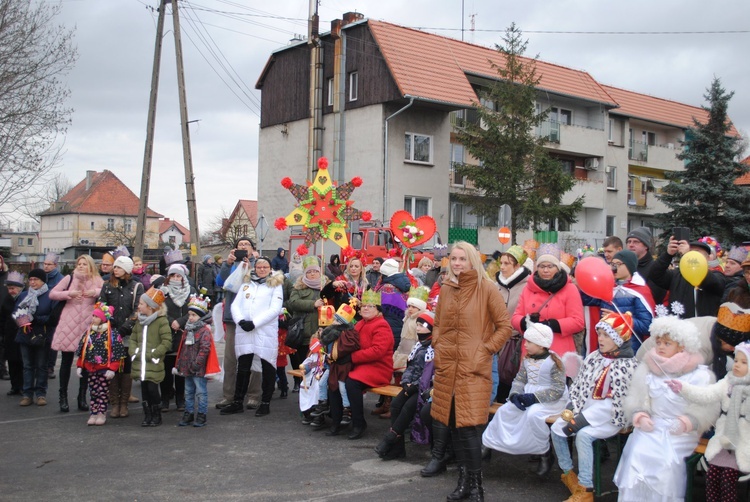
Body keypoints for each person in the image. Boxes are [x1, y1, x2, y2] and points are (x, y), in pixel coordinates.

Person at [431, 241, 512, 502]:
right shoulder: (446, 289)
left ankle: (477, 486)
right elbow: (438, 323)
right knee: (454, 426)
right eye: (453, 259)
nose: (456, 264)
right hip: (447, 369)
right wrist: (438, 344)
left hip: (473, 369)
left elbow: (504, 327)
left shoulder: (486, 288)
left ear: (472, 261)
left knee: (469, 430)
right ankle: (463, 482)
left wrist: (483, 351)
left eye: (462, 259)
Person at [614, 315, 718, 501]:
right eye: (659, 342)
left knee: (665, 462)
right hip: (652, 425)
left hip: (680, 431)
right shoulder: (648, 368)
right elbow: (637, 399)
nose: (661, 347)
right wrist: (640, 415)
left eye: (667, 343)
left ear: (682, 346)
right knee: (637, 451)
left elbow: (705, 408)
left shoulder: (699, 375)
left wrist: (687, 422)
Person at [550, 312, 639, 501]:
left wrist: (581, 420)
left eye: (606, 335)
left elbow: (618, 404)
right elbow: (579, 385)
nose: (601, 339)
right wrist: (572, 406)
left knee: (583, 435)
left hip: (611, 419)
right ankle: (569, 474)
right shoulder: (594, 357)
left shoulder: (628, 365)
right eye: (599, 334)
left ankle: (586, 488)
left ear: (618, 338)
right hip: (585, 412)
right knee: (557, 428)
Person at [666, 341, 750, 502]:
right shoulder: (728, 382)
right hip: (723, 441)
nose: (737, 365)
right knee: (712, 477)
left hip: (743, 442)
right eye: (737, 360)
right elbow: (706, 394)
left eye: (744, 362)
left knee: (727, 480)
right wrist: (683, 388)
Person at [482, 322, 568, 476]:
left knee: (533, 415)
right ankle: (488, 443)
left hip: (550, 400)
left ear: (541, 344)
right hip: (528, 395)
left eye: (529, 342)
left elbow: (558, 389)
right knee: (504, 411)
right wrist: (515, 394)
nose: (525, 344)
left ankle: (544, 453)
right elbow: (520, 379)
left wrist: (534, 398)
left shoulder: (554, 362)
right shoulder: (528, 359)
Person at [221, 256, 284, 417]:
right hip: (245, 331)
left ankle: (265, 402)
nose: (262, 269)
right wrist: (240, 320)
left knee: (267, 366)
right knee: (243, 367)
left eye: (265, 267)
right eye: (259, 266)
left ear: (270, 268)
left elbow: (275, 309)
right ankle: (237, 402)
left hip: (264, 331)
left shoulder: (275, 285)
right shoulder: (246, 284)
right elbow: (236, 305)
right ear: (255, 268)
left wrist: (254, 323)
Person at [375, 310, 434, 461]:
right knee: (395, 405)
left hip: (425, 388)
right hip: (412, 386)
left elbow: (429, 373)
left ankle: (390, 439)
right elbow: (411, 367)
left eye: (422, 325)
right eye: (418, 325)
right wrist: (405, 382)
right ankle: (397, 448)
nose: (418, 328)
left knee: (408, 407)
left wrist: (414, 385)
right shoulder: (419, 346)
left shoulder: (434, 347)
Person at [50, 255, 103, 413]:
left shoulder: (96, 279)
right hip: (69, 324)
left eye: (84, 264)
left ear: (90, 266)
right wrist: (69, 294)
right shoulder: (69, 278)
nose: (80, 266)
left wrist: (95, 292)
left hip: (88, 324)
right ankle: (63, 397)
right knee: (66, 362)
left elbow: (106, 291)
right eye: (78, 264)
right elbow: (53, 293)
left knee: (86, 363)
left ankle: (82, 397)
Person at [512, 244, 584, 359]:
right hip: (531, 352)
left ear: (558, 267)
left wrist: (552, 325)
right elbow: (515, 317)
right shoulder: (528, 288)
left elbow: (578, 322)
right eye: (541, 266)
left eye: (550, 266)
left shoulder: (570, 289)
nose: (545, 270)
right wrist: (525, 322)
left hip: (559, 351)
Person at [339, 289, 394, 439]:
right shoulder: (360, 323)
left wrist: (351, 357)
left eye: (371, 306)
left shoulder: (381, 325)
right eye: (363, 306)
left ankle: (359, 423)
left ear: (378, 310)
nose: (366, 308)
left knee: (352, 383)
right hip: (362, 364)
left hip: (378, 367)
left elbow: (377, 351)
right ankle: (337, 417)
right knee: (334, 376)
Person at [214, 236, 261, 410]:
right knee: (230, 359)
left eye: (246, 245)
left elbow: (261, 281)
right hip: (233, 317)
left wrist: (254, 261)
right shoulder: (231, 264)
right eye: (240, 245)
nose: (243, 247)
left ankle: (254, 395)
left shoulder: (258, 263)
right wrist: (227, 264)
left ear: (252, 248)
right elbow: (220, 283)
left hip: (251, 317)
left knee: (253, 355)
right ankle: (229, 395)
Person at [580, 249, 655, 354]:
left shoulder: (639, 291)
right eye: (612, 264)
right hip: (606, 348)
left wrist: (620, 319)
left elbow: (647, 326)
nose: (613, 268)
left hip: (629, 350)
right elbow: (586, 299)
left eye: (618, 264)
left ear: (629, 266)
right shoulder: (608, 286)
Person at [98, 256, 144, 418]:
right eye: (114, 267)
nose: (115, 269)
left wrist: (125, 328)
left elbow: (138, 310)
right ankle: (114, 403)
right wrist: (108, 322)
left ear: (127, 269)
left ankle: (124, 403)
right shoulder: (107, 286)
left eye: (118, 267)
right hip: (110, 332)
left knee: (126, 368)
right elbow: (101, 306)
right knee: (112, 367)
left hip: (128, 334)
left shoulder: (136, 286)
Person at [75, 302, 125, 426]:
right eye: (93, 316)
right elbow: (83, 351)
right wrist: (80, 365)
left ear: (103, 319)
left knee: (102, 391)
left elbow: (117, 353)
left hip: (104, 368)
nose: (93, 318)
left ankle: (101, 412)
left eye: (96, 316)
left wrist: (112, 369)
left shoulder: (112, 334)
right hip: (91, 368)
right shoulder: (89, 333)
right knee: (93, 391)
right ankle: (94, 412)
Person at [650, 236, 726, 318]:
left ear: (708, 258)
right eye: (690, 252)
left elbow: (712, 283)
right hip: (679, 326)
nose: (691, 255)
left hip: (703, 326)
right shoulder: (676, 275)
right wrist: (668, 254)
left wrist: (688, 255)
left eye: (697, 252)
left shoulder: (716, 275)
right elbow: (655, 274)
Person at [493, 245, 531, 403]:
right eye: (501, 263)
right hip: (495, 340)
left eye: (507, 263)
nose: (502, 267)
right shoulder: (496, 285)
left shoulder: (527, 286)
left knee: (510, 381)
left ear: (518, 266)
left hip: (515, 343)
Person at [13, 269, 57, 406]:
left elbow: (53, 317)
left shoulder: (50, 296)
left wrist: (36, 318)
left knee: (41, 366)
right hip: (25, 335)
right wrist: (23, 319)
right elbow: (16, 312)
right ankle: (27, 394)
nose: (32, 282)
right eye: (30, 280)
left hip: (42, 335)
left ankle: (40, 394)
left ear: (43, 281)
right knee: (27, 366)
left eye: (35, 280)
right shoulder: (24, 295)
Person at [130, 287, 172, 427]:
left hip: (153, 363)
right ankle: (147, 415)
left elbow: (166, 341)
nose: (139, 306)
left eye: (141, 304)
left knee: (153, 389)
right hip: (140, 362)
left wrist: (154, 354)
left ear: (150, 307)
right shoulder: (139, 322)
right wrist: (134, 352)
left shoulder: (161, 321)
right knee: (144, 390)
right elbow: (133, 339)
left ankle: (156, 414)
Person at [157, 264, 196, 412]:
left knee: (181, 368)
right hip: (166, 333)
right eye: (172, 275)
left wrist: (180, 321)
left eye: (178, 276)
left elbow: (195, 308)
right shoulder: (162, 292)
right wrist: (170, 321)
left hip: (185, 332)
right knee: (166, 369)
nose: (175, 278)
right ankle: (165, 399)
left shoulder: (190, 291)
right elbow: (157, 309)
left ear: (183, 277)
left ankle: (181, 399)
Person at [287, 256, 327, 393]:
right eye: (309, 272)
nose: (312, 274)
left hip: (322, 333)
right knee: (306, 364)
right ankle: (305, 392)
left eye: (315, 271)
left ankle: (320, 396)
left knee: (321, 366)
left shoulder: (326, 285)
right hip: (305, 333)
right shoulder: (298, 286)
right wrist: (312, 304)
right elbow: (292, 303)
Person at [174, 294, 213, 427]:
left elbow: (205, 349)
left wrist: (197, 364)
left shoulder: (204, 331)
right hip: (186, 367)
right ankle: (188, 413)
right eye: (189, 315)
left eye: (194, 315)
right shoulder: (187, 329)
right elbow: (183, 348)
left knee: (201, 392)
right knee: (188, 392)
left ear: (201, 317)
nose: (190, 317)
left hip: (198, 369)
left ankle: (202, 414)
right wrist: (180, 363)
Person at [625, 226, 666, 304]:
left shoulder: (654, 268)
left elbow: (655, 295)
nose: (631, 245)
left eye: (636, 242)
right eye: (629, 242)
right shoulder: (624, 267)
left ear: (646, 246)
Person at [2, 272, 25, 395]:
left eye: (13, 288)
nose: (10, 291)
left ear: (20, 288)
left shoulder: (25, 298)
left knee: (21, 361)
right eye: (9, 288)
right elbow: (3, 317)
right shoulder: (7, 299)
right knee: (12, 361)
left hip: (22, 333)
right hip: (10, 334)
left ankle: (22, 385)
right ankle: (14, 386)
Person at [43, 252, 63, 381]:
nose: (46, 266)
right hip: (41, 313)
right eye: (44, 264)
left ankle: (50, 366)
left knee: (52, 342)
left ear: (55, 265)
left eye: (49, 264)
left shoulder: (60, 279)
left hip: (54, 314)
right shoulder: (42, 277)